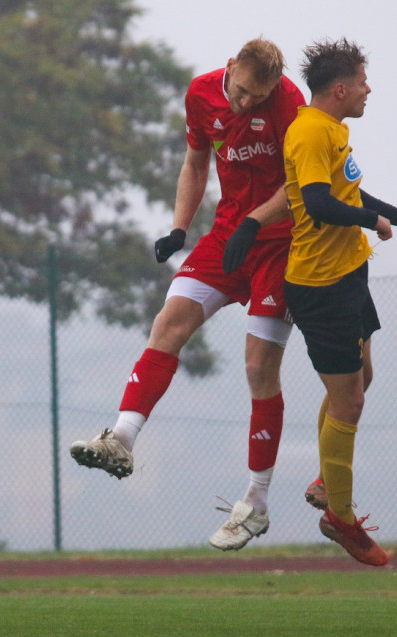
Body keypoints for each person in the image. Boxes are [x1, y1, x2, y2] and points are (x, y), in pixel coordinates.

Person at [69, 38, 305, 551]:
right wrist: (180, 228)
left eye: (256, 98)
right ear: (229, 70)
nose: (245, 104)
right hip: (226, 239)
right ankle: (122, 439)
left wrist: (255, 223)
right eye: (241, 92)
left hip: (280, 246)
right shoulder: (200, 94)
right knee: (168, 323)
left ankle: (256, 502)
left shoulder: (289, 101)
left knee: (258, 367)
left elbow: (301, 184)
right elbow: (196, 162)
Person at [283, 39, 397, 566]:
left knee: (360, 379)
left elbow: (346, 195)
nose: (370, 90)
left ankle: (327, 480)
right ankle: (341, 519)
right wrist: (373, 222)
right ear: (341, 88)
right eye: (364, 81)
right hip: (320, 287)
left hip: (349, 275)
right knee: (349, 400)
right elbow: (319, 204)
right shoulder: (307, 131)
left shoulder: (334, 130)